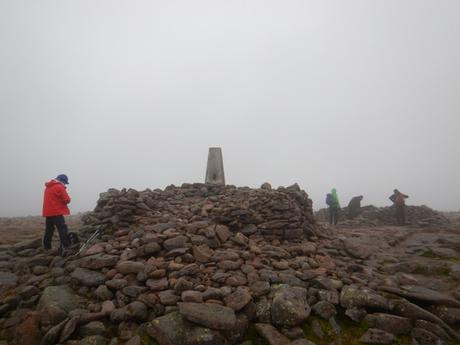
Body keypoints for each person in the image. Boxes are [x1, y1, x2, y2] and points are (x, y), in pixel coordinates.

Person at [42, 174, 71, 255]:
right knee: (62, 229)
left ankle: (47, 247)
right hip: (57, 212)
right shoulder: (59, 187)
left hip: (48, 212)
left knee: (49, 230)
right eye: (65, 182)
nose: (65, 184)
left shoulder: (48, 187)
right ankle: (65, 246)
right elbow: (67, 200)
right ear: (62, 181)